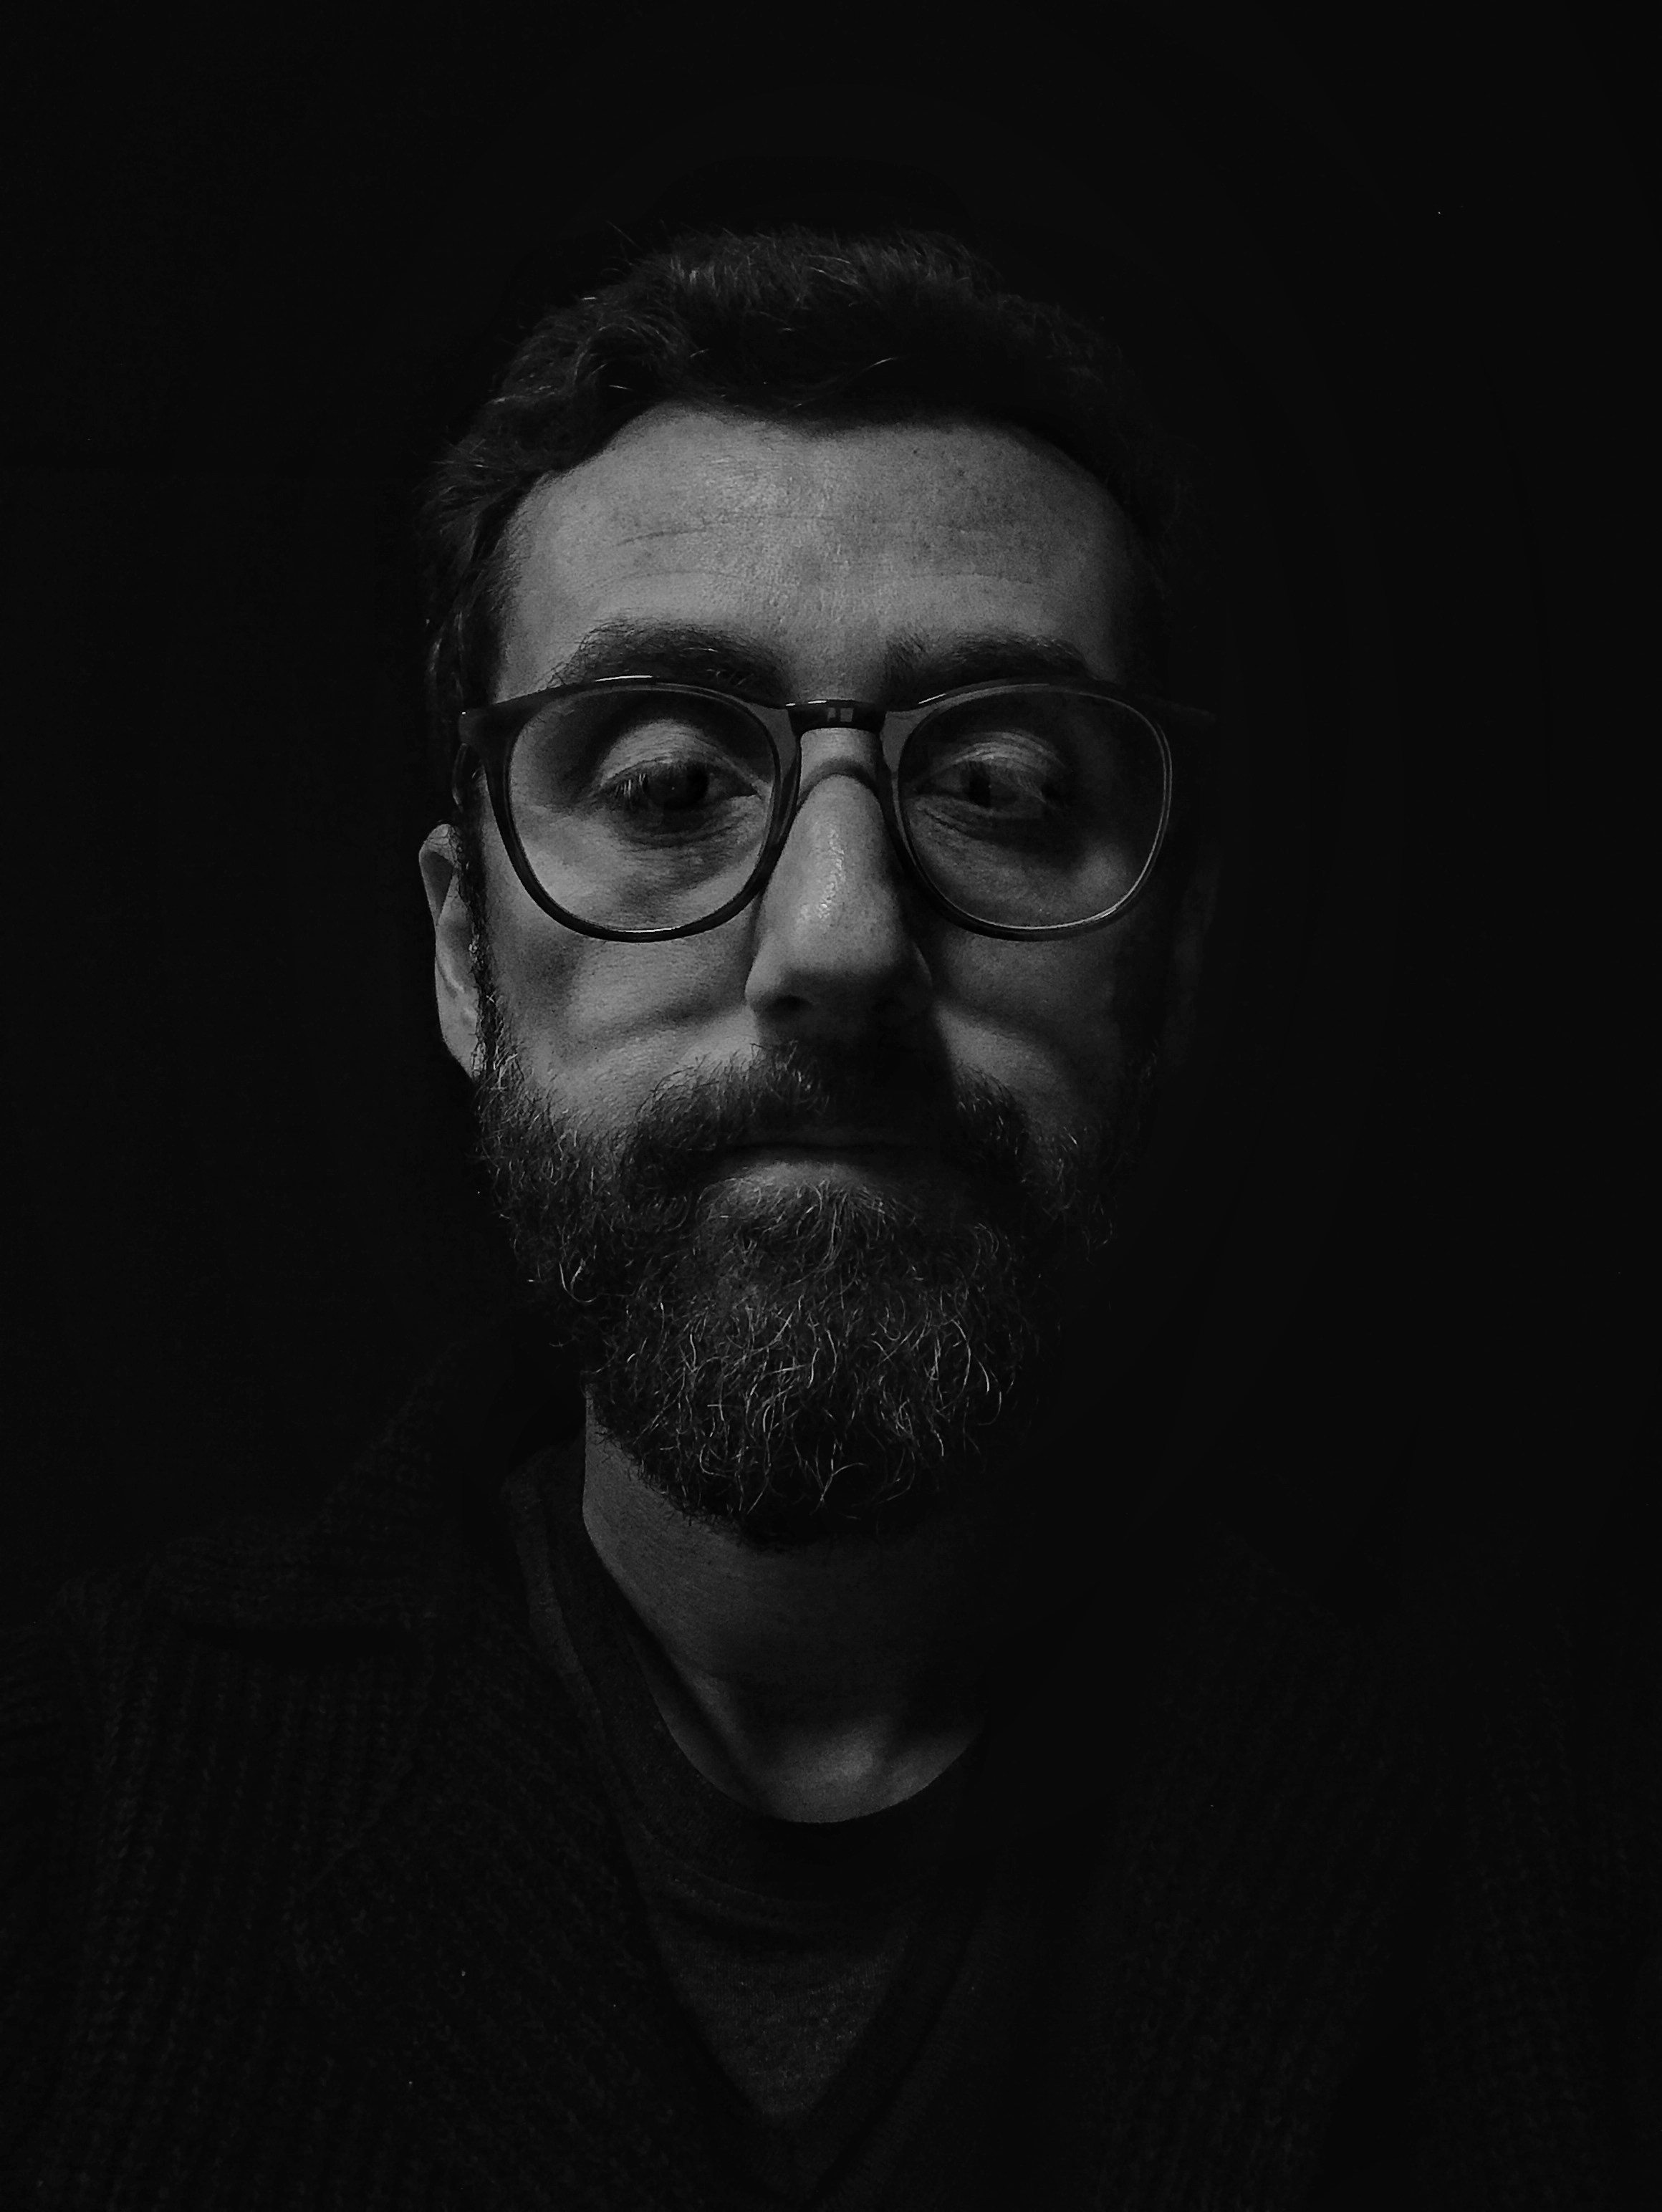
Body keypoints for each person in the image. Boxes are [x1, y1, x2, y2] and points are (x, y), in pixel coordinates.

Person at [2, 223, 1652, 2210]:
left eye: (1004, 788)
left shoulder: (1540, 1844)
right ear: (461, 949)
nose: (842, 937)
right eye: (668, 784)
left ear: (1176, 965)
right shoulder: (78, 1808)